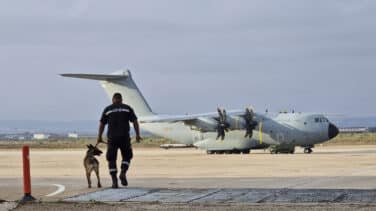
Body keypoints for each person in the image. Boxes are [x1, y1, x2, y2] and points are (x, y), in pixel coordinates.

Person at [97, 93, 142, 188]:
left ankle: (114, 181)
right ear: (121, 99)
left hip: (112, 138)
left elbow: (102, 124)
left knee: (111, 159)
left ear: (113, 99)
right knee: (127, 156)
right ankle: (123, 172)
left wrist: (99, 137)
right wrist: (137, 135)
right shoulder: (127, 108)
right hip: (124, 137)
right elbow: (135, 122)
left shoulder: (108, 109)